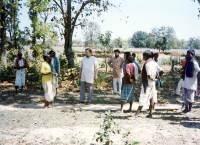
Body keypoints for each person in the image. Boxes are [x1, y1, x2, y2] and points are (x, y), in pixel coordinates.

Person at [129, 50, 158, 119]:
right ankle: (150, 114)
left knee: (143, 98)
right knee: (151, 98)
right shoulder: (154, 63)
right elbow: (161, 70)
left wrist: (153, 79)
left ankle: (136, 115)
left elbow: (148, 76)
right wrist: (156, 79)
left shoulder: (147, 64)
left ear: (146, 56)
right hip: (152, 84)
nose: (143, 57)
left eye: (143, 56)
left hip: (147, 84)